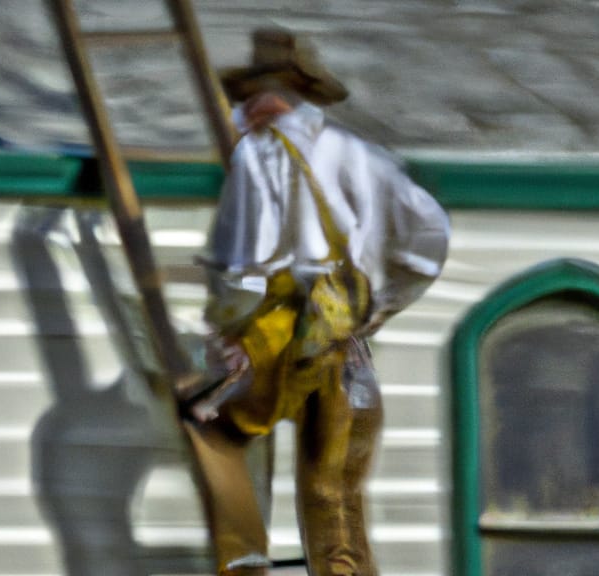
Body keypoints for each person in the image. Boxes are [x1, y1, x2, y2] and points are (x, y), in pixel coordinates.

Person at [182, 28, 449, 576]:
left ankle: (243, 566)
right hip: (346, 347)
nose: (250, 107)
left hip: (280, 346)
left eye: (256, 93)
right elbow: (429, 234)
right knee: (336, 496)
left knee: (212, 431)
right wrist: (381, 308)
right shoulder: (358, 154)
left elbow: (248, 267)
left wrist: (224, 331)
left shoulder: (260, 155)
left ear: (272, 95)